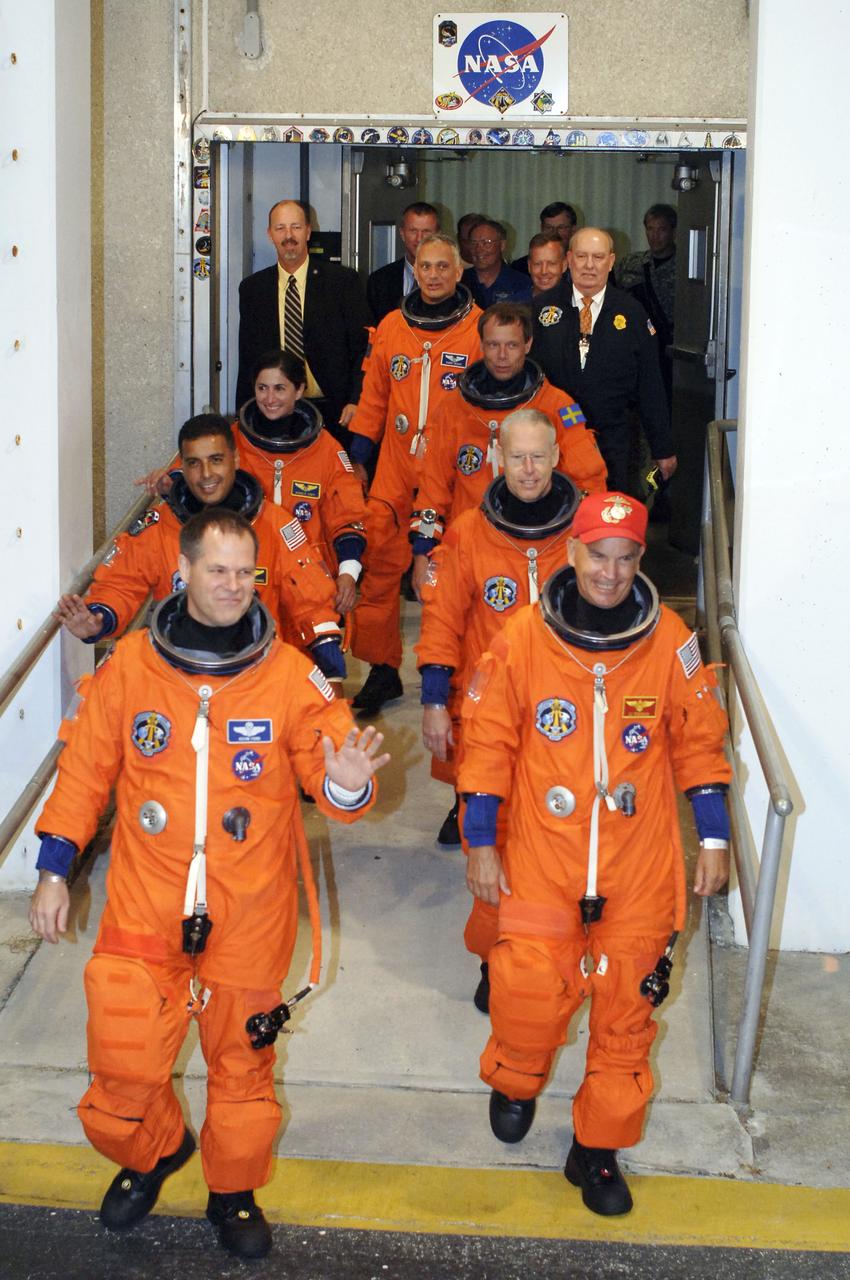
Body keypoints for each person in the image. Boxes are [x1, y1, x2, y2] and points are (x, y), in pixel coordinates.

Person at [28, 507, 390, 1261]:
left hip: (250, 908)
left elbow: (335, 778)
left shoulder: (288, 675)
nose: (232, 586)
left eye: (244, 572)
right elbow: (85, 770)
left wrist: (348, 783)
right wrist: (54, 870)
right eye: (216, 570)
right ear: (184, 571)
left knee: (242, 1067)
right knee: (124, 1061)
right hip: (145, 896)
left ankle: (233, 1191)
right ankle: (156, 1150)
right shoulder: (129, 666)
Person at [457, 491, 730, 1218]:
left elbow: (700, 740)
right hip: (545, 857)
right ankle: (515, 1075)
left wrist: (713, 836)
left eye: (625, 557)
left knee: (628, 1015)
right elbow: (486, 743)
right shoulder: (522, 636)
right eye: (596, 555)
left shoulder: (670, 637)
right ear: (571, 553)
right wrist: (480, 842)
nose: (609, 573)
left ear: (640, 558)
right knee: (524, 996)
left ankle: (598, 1149)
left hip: (636, 865)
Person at [58, 414, 346, 679]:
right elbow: (121, 583)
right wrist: (99, 619)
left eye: (216, 459)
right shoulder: (160, 526)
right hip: (179, 676)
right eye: (194, 463)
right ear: (182, 466)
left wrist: (327, 655)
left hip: (256, 675)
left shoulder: (273, 523)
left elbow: (310, 598)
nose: (206, 474)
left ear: (235, 458)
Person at [416, 408, 580, 857]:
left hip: (565, 693)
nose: (528, 470)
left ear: (556, 457)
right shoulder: (469, 533)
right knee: (485, 833)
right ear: (498, 457)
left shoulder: (583, 537)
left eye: (538, 458)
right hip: (488, 697)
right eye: (518, 457)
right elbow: (442, 618)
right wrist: (433, 700)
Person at [346, 233, 482, 718]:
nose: (433, 275)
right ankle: (382, 669)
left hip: (452, 478)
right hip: (395, 470)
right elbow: (372, 399)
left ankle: (451, 673)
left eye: (443, 267)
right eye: (425, 266)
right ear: (415, 268)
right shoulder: (390, 327)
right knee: (377, 571)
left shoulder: (478, 331)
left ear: (459, 270)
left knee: (448, 579)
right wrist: (358, 458)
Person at [410, 302, 606, 593]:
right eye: (493, 345)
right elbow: (431, 491)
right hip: (469, 545)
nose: (502, 356)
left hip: (539, 546)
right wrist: (422, 553)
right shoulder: (453, 409)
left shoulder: (557, 406)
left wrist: (586, 547)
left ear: (528, 344)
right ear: (481, 346)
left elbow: (589, 483)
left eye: (512, 345)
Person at [531, 227, 675, 496]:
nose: (589, 265)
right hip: (551, 439)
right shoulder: (541, 310)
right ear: (569, 260)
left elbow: (650, 384)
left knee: (609, 520)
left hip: (614, 440)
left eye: (597, 257)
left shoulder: (631, 312)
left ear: (610, 262)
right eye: (582, 256)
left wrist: (662, 448)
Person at [235, 351, 368, 616]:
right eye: (262, 388)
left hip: (308, 579)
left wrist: (349, 573)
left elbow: (348, 516)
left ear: (299, 390)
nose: (269, 399)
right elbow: (190, 480)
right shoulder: (230, 444)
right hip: (243, 578)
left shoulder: (327, 450)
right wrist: (170, 480)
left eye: (280, 388)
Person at [235, 199, 370, 445]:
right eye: (280, 228)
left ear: (308, 231)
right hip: (275, 413)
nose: (289, 235)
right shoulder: (253, 289)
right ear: (270, 235)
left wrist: (357, 400)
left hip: (336, 413)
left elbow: (364, 348)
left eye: (296, 227)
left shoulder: (342, 282)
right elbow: (248, 361)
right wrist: (244, 420)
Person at [615, 203, 677, 406]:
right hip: (635, 348)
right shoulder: (630, 263)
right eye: (650, 229)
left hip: (670, 351)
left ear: (673, 231)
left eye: (661, 229)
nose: (655, 235)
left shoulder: (686, 267)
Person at [367, 202, 440, 325]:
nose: (419, 238)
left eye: (426, 232)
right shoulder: (379, 281)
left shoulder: (454, 281)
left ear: (438, 235)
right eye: (413, 231)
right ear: (402, 233)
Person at [462, 217, 532, 309]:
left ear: (502, 245)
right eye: (474, 243)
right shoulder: (460, 283)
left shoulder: (521, 283)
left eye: (486, 243)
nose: (479, 249)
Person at [511, 202, 578, 274]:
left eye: (561, 228)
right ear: (541, 228)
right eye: (549, 227)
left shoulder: (581, 265)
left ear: (573, 230)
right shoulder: (520, 268)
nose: (554, 232)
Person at [527, 231, 569, 297]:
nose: (544, 271)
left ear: (564, 265)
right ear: (529, 266)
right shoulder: (512, 304)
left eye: (551, 264)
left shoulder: (578, 304)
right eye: (537, 264)